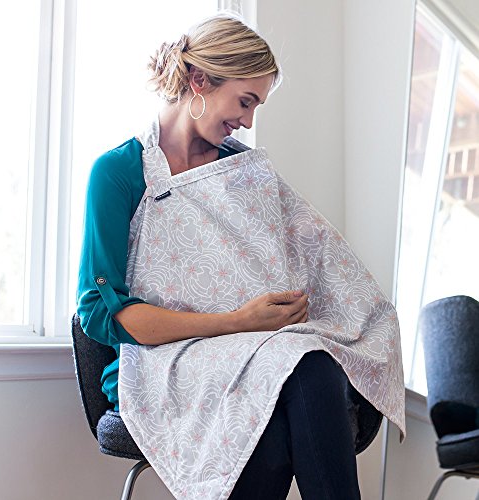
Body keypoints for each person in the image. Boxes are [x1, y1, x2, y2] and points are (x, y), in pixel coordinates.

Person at [77, 13, 361, 499]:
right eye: (245, 101)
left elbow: (283, 263)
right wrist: (237, 322)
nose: (248, 121)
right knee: (294, 380)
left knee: (307, 367)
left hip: (250, 354)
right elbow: (100, 314)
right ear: (199, 80)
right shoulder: (120, 172)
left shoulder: (241, 171)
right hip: (156, 365)